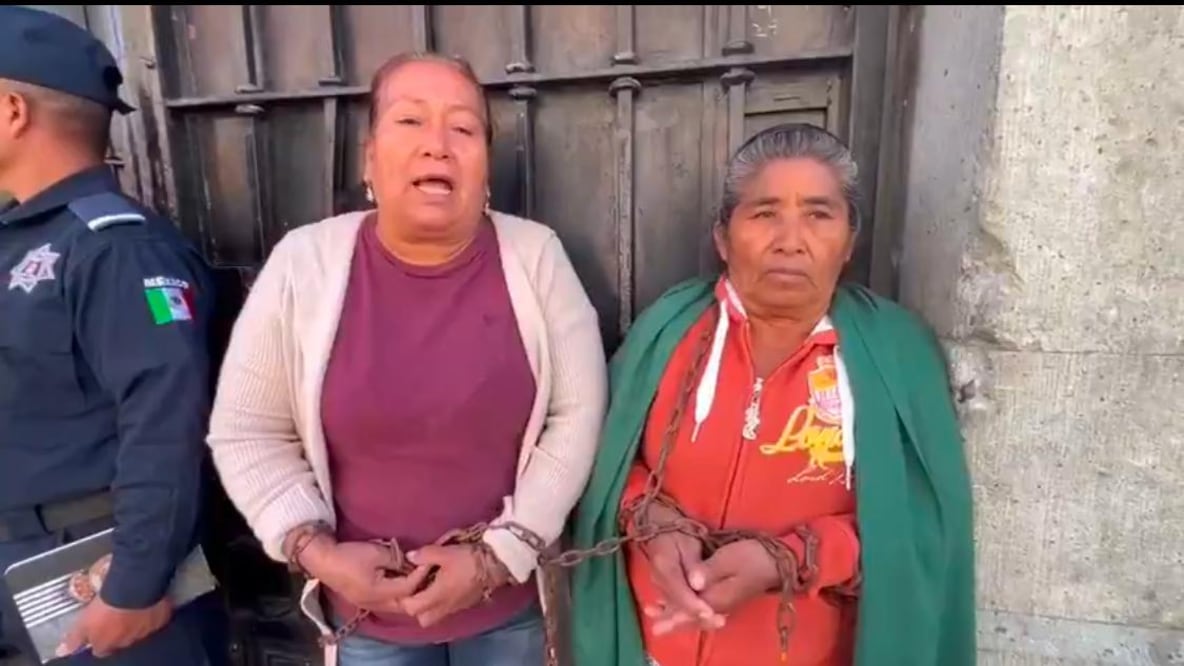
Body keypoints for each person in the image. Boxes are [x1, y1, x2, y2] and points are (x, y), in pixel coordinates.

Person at [204, 51, 608, 666]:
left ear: (485, 166)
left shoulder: (536, 257)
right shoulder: (302, 264)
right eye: (410, 122)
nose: (438, 146)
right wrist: (319, 554)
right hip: (367, 623)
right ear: (369, 157)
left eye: (464, 128)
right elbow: (246, 431)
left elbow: (577, 415)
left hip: (507, 615)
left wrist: (498, 556)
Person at [568, 122, 977, 666]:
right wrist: (652, 522)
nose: (790, 240)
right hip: (653, 651)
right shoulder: (667, 332)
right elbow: (607, 464)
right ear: (722, 236)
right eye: (764, 213)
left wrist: (791, 559)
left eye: (818, 214)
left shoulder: (895, 353)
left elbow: (921, 525)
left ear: (850, 240)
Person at [0, 6, 230, 666]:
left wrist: (132, 587)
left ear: (13, 110)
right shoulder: (20, 241)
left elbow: (166, 418)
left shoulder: (115, 250)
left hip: (96, 585)